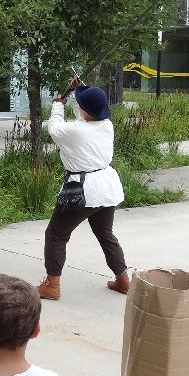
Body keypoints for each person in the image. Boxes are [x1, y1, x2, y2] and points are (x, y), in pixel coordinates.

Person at [38, 81, 129, 300]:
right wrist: (76, 91)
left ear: (84, 109)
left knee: (56, 235)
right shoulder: (106, 124)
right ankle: (124, 280)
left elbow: (54, 128)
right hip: (107, 187)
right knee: (105, 234)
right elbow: (86, 111)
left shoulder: (76, 131)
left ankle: (52, 286)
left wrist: (58, 105)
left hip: (83, 189)